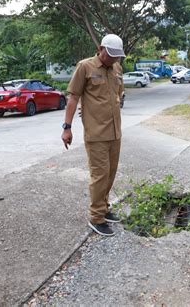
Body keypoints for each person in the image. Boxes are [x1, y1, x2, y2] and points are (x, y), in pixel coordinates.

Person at [61, 34, 125, 236]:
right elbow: (73, 98)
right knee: (99, 175)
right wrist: (67, 127)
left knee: (111, 173)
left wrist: (100, 105)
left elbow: (118, 94)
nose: (113, 59)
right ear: (100, 48)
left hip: (115, 132)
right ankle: (96, 217)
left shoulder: (116, 68)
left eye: (117, 56)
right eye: (110, 55)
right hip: (96, 133)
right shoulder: (85, 67)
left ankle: (104, 208)